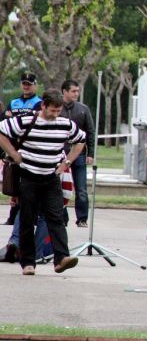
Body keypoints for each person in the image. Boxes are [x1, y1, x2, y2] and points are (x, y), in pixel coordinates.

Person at [0, 89, 86, 275]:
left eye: (58, 111)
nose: (56, 115)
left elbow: (81, 140)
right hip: (28, 176)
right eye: (52, 111)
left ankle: (61, 258)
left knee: (56, 217)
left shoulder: (66, 124)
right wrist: (13, 154)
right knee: (27, 219)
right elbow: (1, 131)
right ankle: (28, 262)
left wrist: (67, 162)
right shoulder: (25, 121)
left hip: (51, 178)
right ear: (43, 106)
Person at [3, 72, 42, 225]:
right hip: (14, 147)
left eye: (29, 84)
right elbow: (5, 122)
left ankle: (33, 215)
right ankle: (14, 215)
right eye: (24, 84)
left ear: (35, 85)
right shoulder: (13, 103)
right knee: (14, 182)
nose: (26, 86)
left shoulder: (40, 103)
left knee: (30, 183)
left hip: (31, 147)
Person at [60, 80, 96, 228]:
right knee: (61, 187)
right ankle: (62, 218)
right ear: (64, 91)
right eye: (73, 91)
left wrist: (90, 153)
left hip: (79, 154)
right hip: (61, 154)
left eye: (77, 91)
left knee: (81, 189)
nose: (76, 94)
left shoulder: (83, 109)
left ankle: (82, 218)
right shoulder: (57, 108)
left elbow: (90, 132)